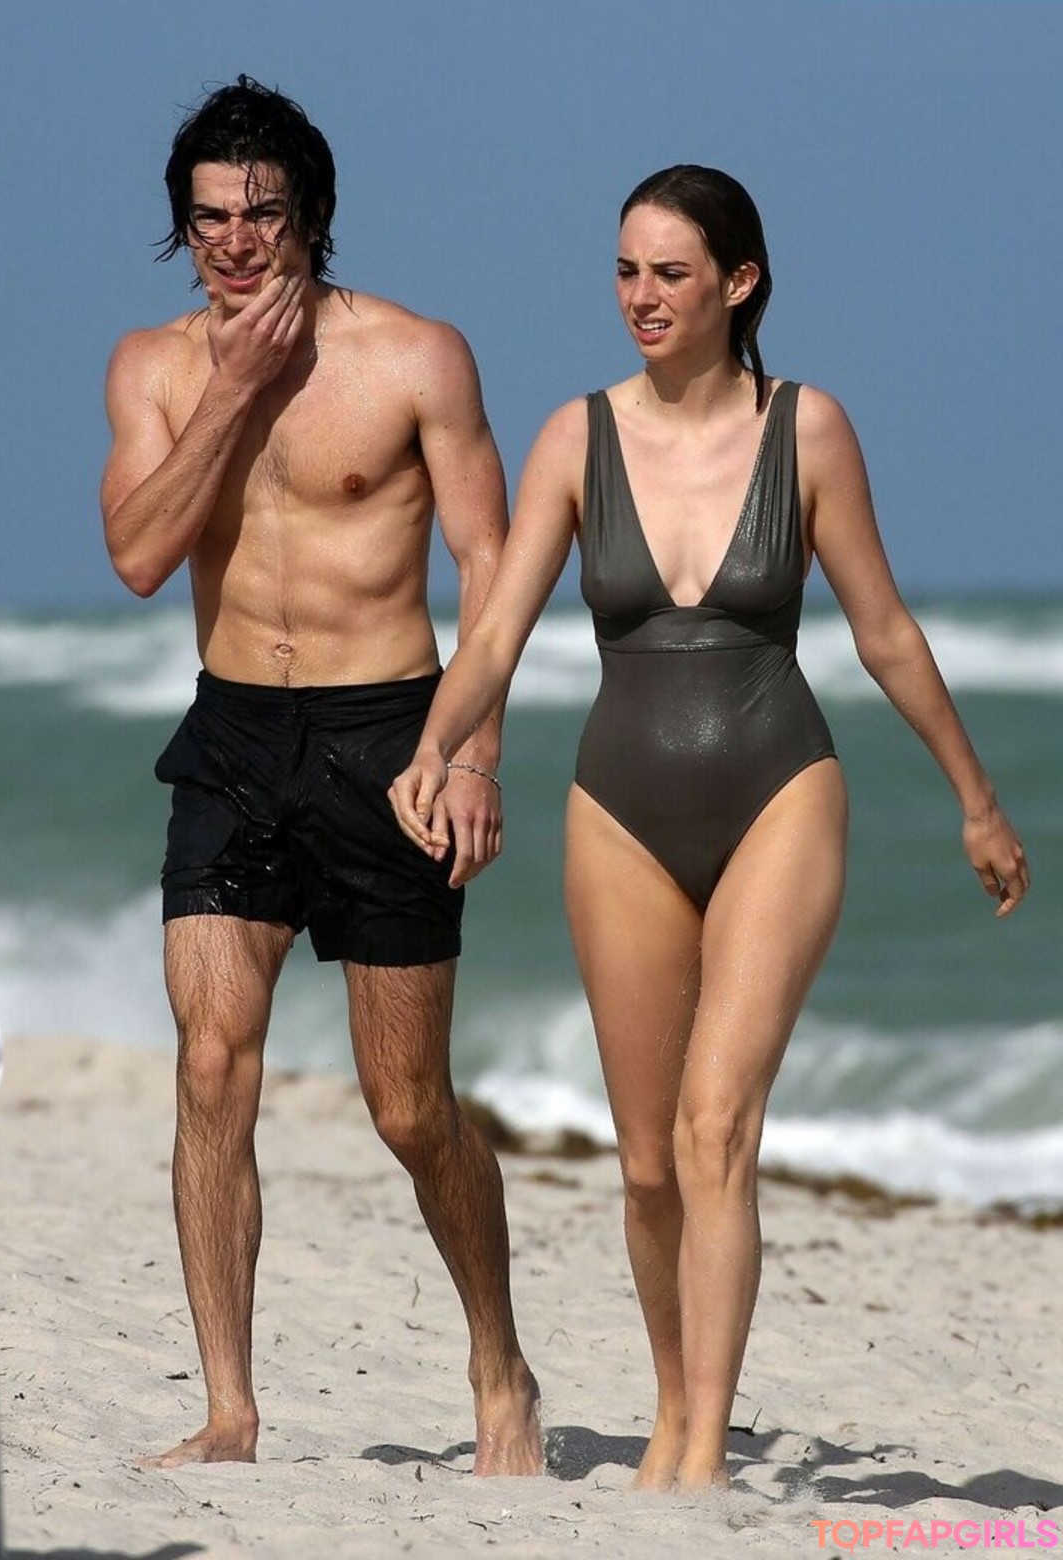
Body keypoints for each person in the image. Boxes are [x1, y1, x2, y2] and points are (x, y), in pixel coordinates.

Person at [389, 164, 1030, 1492]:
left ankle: (702, 1458)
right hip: (618, 810)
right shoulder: (576, 438)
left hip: (780, 790)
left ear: (739, 282)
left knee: (715, 1128)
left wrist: (975, 799)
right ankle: (678, 1411)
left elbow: (885, 631)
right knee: (644, 1166)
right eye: (626, 270)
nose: (641, 296)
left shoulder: (810, 430)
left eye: (670, 273)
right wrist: (434, 745)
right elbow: (496, 633)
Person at [101, 76, 542, 1475]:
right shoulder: (154, 368)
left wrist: (472, 751)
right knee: (210, 1061)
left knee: (408, 1108)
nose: (236, 244)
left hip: (390, 740)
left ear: (314, 215)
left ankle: (499, 1361)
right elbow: (138, 556)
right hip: (234, 739)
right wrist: (232, 391)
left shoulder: (416, 357)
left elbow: (493, 563)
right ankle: (230, 1410)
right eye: (210, 220)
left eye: (264, 215)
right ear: (184, 228)